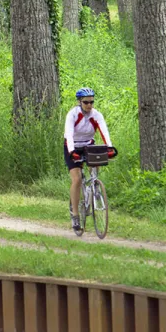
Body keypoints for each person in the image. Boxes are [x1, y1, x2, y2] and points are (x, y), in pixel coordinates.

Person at [64, 87, 117, 231]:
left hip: (88, 145)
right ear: (80, 102)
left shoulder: (96, 115)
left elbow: (104, 130)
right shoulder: (73, 114)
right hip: (73, 146)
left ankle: (95, 187)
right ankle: (75, 216)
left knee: (96, 163)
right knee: (77, 179)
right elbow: (68, 134)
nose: (89, 105)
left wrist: (110, 147)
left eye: (92, 102)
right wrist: (71, 151)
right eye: (86, 102)